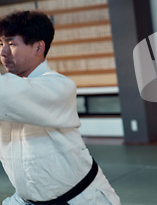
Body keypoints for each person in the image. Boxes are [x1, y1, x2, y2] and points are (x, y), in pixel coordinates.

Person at [0, 11, 121, 205]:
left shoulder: (58, 86)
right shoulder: (11, 88)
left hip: (81, 199)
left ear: (39, 47)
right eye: (1, 44)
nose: (3, 52)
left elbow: (8, 94)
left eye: (11, 44)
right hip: (25, 200)